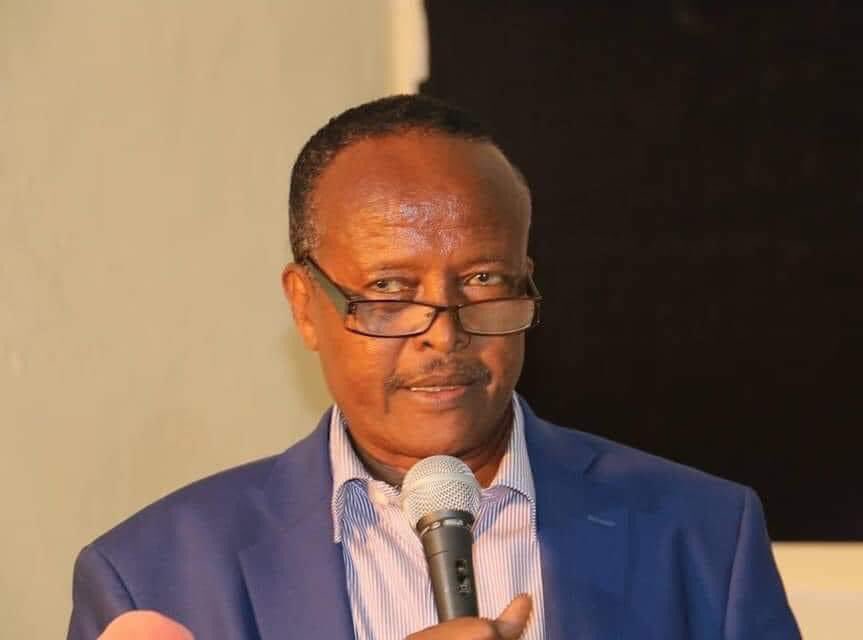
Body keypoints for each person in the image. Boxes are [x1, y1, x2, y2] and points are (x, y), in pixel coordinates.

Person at [67, 95, 801, 639]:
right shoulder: (155, 577)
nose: (444, 334)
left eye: (483, 281)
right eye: (389, 290)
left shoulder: (702, 536)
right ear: (304, 305)